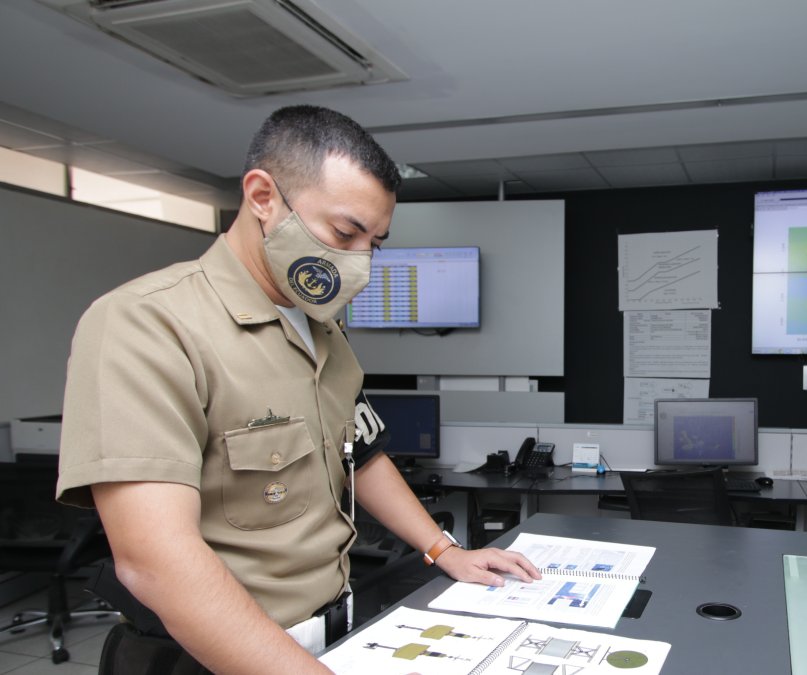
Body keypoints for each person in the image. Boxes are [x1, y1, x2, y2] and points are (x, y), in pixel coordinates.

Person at [56, 105, 539, 674]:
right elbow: (155, 560)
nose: (359, 262)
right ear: (263, 197)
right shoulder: (146, 324)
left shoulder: (320, 327)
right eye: (344, 233)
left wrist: (445, 551)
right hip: (208, 656)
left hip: (332, 636)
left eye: (375, 244)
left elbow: (362, 453)